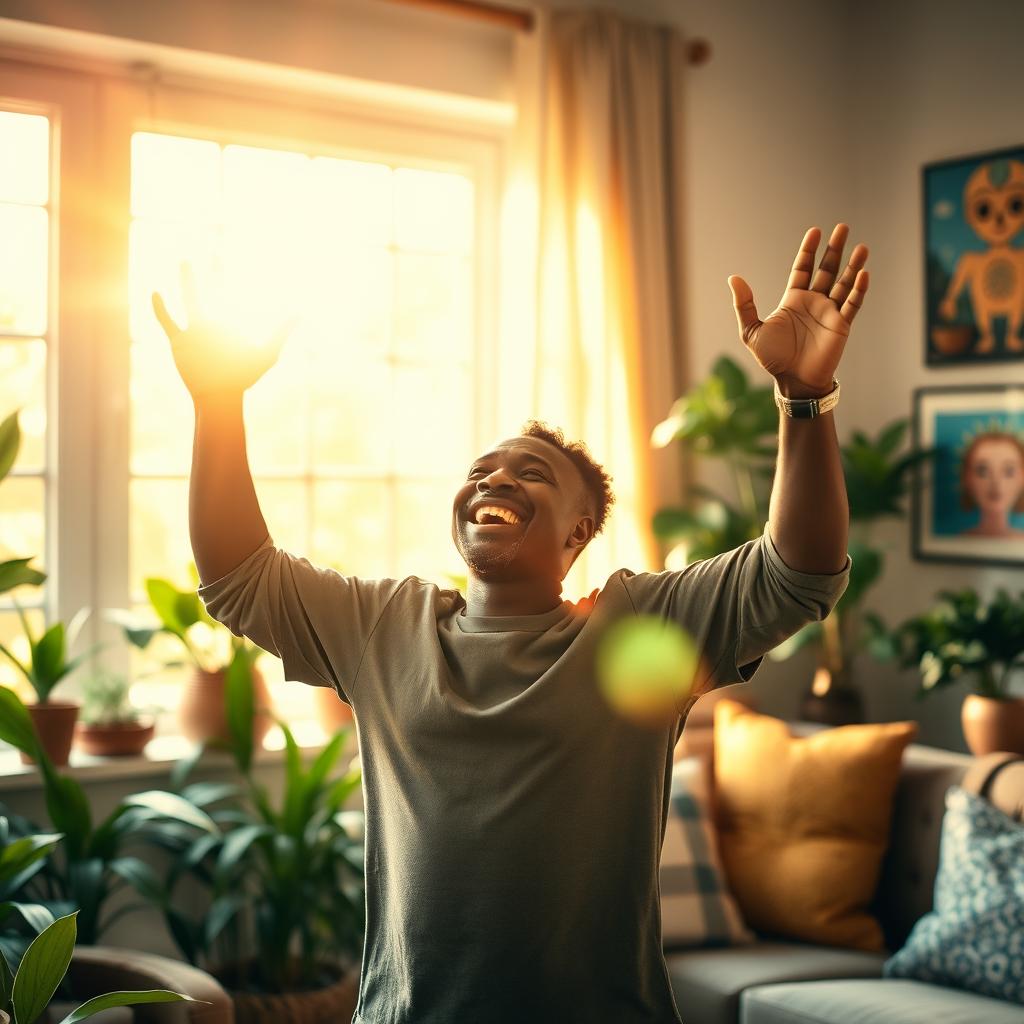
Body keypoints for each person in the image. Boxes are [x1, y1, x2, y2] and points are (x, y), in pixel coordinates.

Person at [152, 222, 867, 1023]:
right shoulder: (387, 626)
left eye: (532, 473)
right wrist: (216, 403)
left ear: (576, 532)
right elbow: (237, 575)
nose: (496, 479)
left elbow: (797, 573)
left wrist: (805, 401)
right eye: (480, 471)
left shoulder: (635, 628)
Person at [958, 429, 1024, 538]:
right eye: (983, 471)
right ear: (967, 478)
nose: (996, 483)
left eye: (1009, 471)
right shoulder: (958, 542)